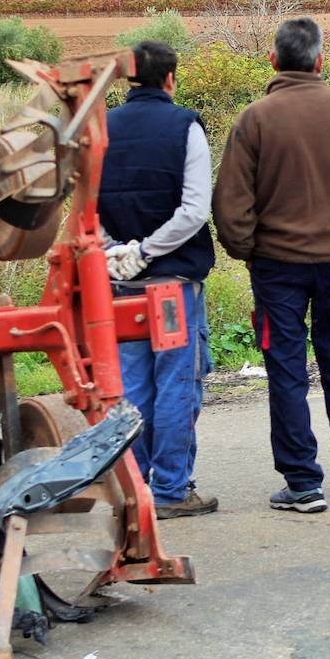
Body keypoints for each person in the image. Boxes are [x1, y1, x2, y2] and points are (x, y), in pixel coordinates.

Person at [213, 17, 330, 513]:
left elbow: (231, 204)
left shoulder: (254, 119)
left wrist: (248, 250)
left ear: (273, 60)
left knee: (287, 371)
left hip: (276, 266)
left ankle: (302, 483)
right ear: (321, 60)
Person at [100, 40, 218, 519]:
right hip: (171, 282)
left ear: (129, 80)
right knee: (175, 383)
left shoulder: (101, 128)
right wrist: (149, 251)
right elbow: (194, 210)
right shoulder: (185, 126)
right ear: (171, 78)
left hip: (121, 284)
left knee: (133, 386)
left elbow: (84, 205)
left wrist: (118, 251)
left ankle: (134, 489)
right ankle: (171, 489)